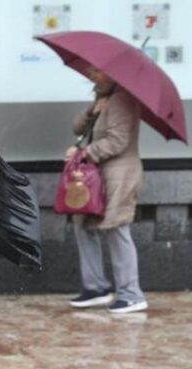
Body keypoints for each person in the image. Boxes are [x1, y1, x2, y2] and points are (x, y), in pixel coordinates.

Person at [66, 67, 148, 314]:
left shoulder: (123, 100)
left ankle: (131, 294)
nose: (92, 76)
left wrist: (84, 153)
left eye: (98, 72)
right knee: (83, 226)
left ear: (114, 75)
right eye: (90, 71)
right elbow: (78, 128)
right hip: (97, 176)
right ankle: (96, 288)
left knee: (116, 229)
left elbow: (118, 140)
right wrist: (94, 109)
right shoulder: (104, 99)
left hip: (119, 175)